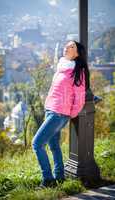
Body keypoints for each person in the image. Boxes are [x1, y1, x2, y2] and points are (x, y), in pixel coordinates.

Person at [32, 40, 90, 188]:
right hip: (51, 109)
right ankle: (59, 177)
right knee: (54, 146)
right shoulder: (62, 67)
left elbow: (79, 96)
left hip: (59, 113)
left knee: (37, 143)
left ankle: (48, 180)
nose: (67, 47)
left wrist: (71, 113)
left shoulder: (78, 71)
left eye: (72, 46)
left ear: (77, 53)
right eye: (67, 45)